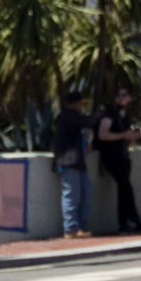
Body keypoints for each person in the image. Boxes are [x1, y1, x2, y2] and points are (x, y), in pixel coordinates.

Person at [94, 84, 141, 234]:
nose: (121, 98)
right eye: (119, 95)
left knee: (125, 189)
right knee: (126, 187)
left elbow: (125, 138)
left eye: (124, 95)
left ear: (130, 98)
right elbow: (102, 135)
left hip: (122, 156)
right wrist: (124, 135)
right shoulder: (110, 114)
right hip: (111, 157)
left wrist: (132, 137)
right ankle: (131, 222)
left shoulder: (125, 117)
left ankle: (128, 222)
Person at [52, 87, 92, 239]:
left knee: (86, 193)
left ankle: (80, 226)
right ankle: (70, 228)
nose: (82, 106)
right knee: (71, 194)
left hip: (78, 161)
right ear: (75, 104)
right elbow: (87, 121)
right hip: (68, 161)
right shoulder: (68, 117)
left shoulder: (72, 119)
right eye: (81, 103)